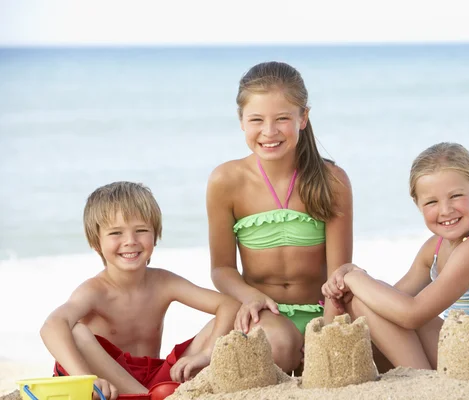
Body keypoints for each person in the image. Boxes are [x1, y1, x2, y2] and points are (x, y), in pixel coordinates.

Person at [323, 142, 469, 373]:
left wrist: (355, 277)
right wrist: (344, 281)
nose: (445, 210)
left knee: (368, 297)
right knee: (363, 301)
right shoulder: (436, 248)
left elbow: (412, 314)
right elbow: (388, 305)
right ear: (418, 204)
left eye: (456, 196)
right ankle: (326, 359)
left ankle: (423, 386)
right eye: (432, 202)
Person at [206, 61, 353, 373]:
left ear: (303, 118)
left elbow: (338, 274)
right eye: (256, 120)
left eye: (282, 119)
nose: (269, 132)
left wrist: (325, 334)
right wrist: (252, 297)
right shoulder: (225, 181)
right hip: (262, 313)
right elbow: (221, 269)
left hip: (322, 308)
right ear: (241, 121)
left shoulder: (332, 180)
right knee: (282, 343)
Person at [40, 181, 240, 400]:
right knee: (76, 332)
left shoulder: (164, 282)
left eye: (141, 230)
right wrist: (85, 378)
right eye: (116, 233)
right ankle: (143, 396)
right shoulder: (94, 291)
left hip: (155, 378)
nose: (130, 241)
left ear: (155, 235)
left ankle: (147, 395)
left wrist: (206, 352)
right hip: (107, 384)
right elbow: (51, 326)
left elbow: (228, 305)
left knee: (219, 326)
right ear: (96, 242)